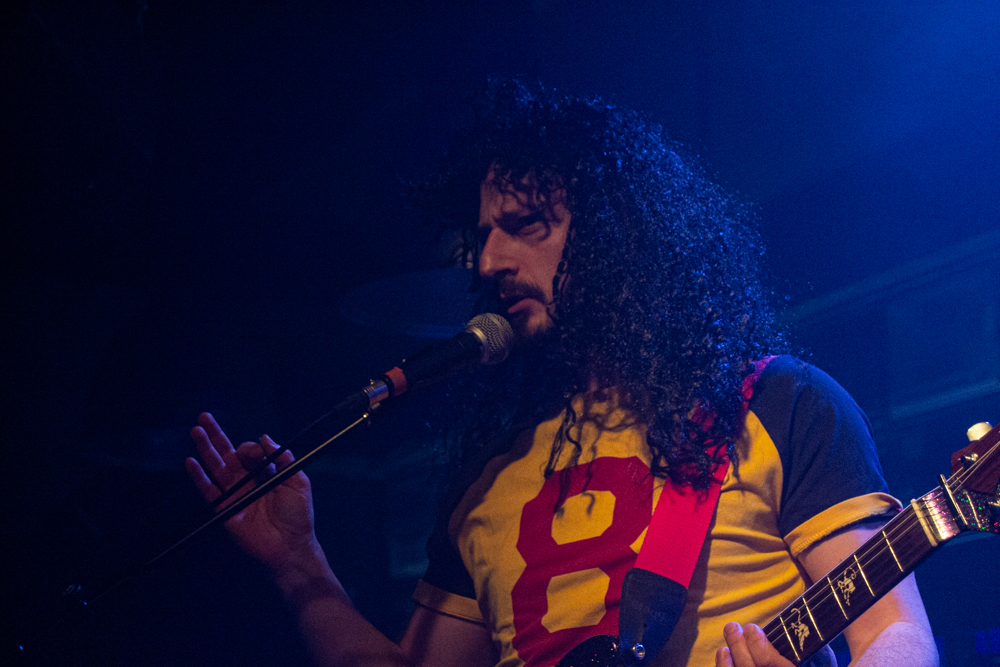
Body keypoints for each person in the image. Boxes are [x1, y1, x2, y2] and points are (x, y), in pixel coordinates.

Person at [185, 80, 938, 667]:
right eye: (483, 236)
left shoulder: (773, 402)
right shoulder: (486, 474)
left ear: (616, 231)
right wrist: (298, 564)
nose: (489, 262)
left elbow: (894, 631)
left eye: (525, 226)